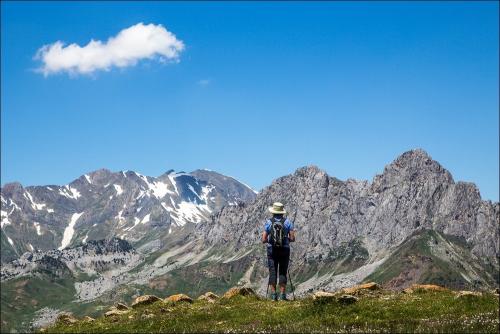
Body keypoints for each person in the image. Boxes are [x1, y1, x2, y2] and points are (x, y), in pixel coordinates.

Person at [262, 202, 295, 301]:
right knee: (283, 271)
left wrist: (270, 241)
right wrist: (286, 240)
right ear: (282, 212)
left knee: (273, 271)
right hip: (284, 250)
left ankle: (273, 296)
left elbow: (263, 239)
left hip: (272, 250)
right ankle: (283, 296)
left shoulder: (269, 222)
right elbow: (293, 238)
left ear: (273, 212)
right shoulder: (288, 222)